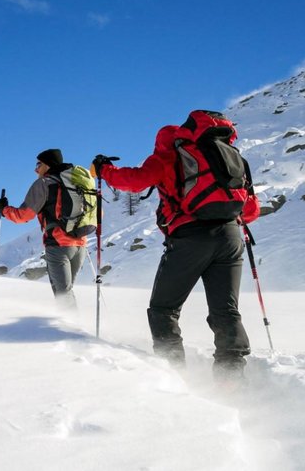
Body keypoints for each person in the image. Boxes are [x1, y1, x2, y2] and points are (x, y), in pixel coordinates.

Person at [91, 115, 260, 382]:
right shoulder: (230, 158)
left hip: (190, 239)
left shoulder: (169, 155)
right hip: (230, 238)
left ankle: (173, 375)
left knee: (163, 309)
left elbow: (135, 181)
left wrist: (104, 171)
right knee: (226, 310)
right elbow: (251, 211)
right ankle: (231, 379)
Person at [0, 149, 86, 313]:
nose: (36, 169)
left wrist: (3, 209)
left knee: (62, 294)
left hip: (58, 246)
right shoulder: (76, 183)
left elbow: (23, 215)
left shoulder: (44, 184)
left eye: (39, 164)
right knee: (66, 291)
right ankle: (72, 328)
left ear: (49, 165)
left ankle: (70, 331)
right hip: (80, 245)